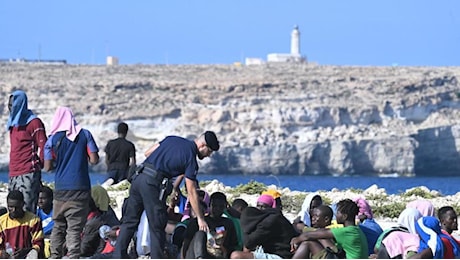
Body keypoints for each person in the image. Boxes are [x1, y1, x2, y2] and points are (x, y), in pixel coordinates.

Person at [113, 130, 220, 259]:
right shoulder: (191, 159)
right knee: (157, 225)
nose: (208, 155)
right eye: (209, 151)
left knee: (129, 222)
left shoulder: (171, 139)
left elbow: (148, 153)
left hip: (138, 178)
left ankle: (118, 256)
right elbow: (192, 191)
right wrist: (200, 218)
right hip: (152, 185)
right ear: (203, 145)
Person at [43, 106, 100, 259]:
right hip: (80, 189)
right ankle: (73, 256)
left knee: (59, 227)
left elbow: (47, 167)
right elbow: (94, 160)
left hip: (61, 189)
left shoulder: (52, 140)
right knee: (74, 228)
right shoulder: (85, 134)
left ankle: (55, 256)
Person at [6, 90, 47, 213]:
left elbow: (44, 145)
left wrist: (41, 163)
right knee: (14, 210)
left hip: (28, 172)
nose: (9, 108)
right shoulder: (13, 124)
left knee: (27, 209)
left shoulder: (34, 122)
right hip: (14, 171)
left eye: (12, 105)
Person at [290, 198, 368, 259]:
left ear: (344, 216)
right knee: (321, 237)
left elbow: (308, 236)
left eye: (337, 213)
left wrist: (296, 240)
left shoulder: (347, 232)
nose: (336, 215)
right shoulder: (356, 230)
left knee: (308, 243)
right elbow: (322, 232)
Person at [182, 192, 238, 258]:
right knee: (200, 234)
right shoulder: (198, 222)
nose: (217, 209)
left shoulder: (228, 223)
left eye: (221, 206)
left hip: (218, 255)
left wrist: (225, 252)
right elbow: (186, 243)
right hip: (196, 255)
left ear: (225, 207)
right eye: (214, 206)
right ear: (209, 205)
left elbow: (232, 245)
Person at [230, 204, 298, 259]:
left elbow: (248, 243)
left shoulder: (268, 223)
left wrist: (245, 229)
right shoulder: (270, 217)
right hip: (273, 251)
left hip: (281, 256)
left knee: (236, 256)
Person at [0, 190, 44, 259]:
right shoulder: (1, 222)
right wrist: (2, 253)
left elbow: (39, 244)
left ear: (23, 204)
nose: (14, 210)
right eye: (10, 207)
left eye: (17, 207)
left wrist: (26, 251)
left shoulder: (34, 220)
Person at [102, 122, 136, 187]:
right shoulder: (130, 145)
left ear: (117, 131)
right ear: (126, 132)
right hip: (123, 171)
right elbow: (133, 162)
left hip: (111, 169)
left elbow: (106, 159)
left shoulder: (110, 143)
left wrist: (109, 167)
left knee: (108, 189)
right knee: (121, 190)